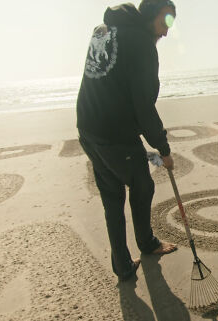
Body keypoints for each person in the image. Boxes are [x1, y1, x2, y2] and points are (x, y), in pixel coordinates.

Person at [76, 0, 179, 282]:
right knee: (142, 186)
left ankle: (122, 265)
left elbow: (106, 81)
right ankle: (147, 244)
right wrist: (163, 149)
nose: (167, 32)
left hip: (87, 128)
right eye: (165, 21)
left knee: (112, 196)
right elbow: (143, 106)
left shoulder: (103, 30)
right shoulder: (142, 44)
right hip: (114, 134)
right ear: (147, 17)